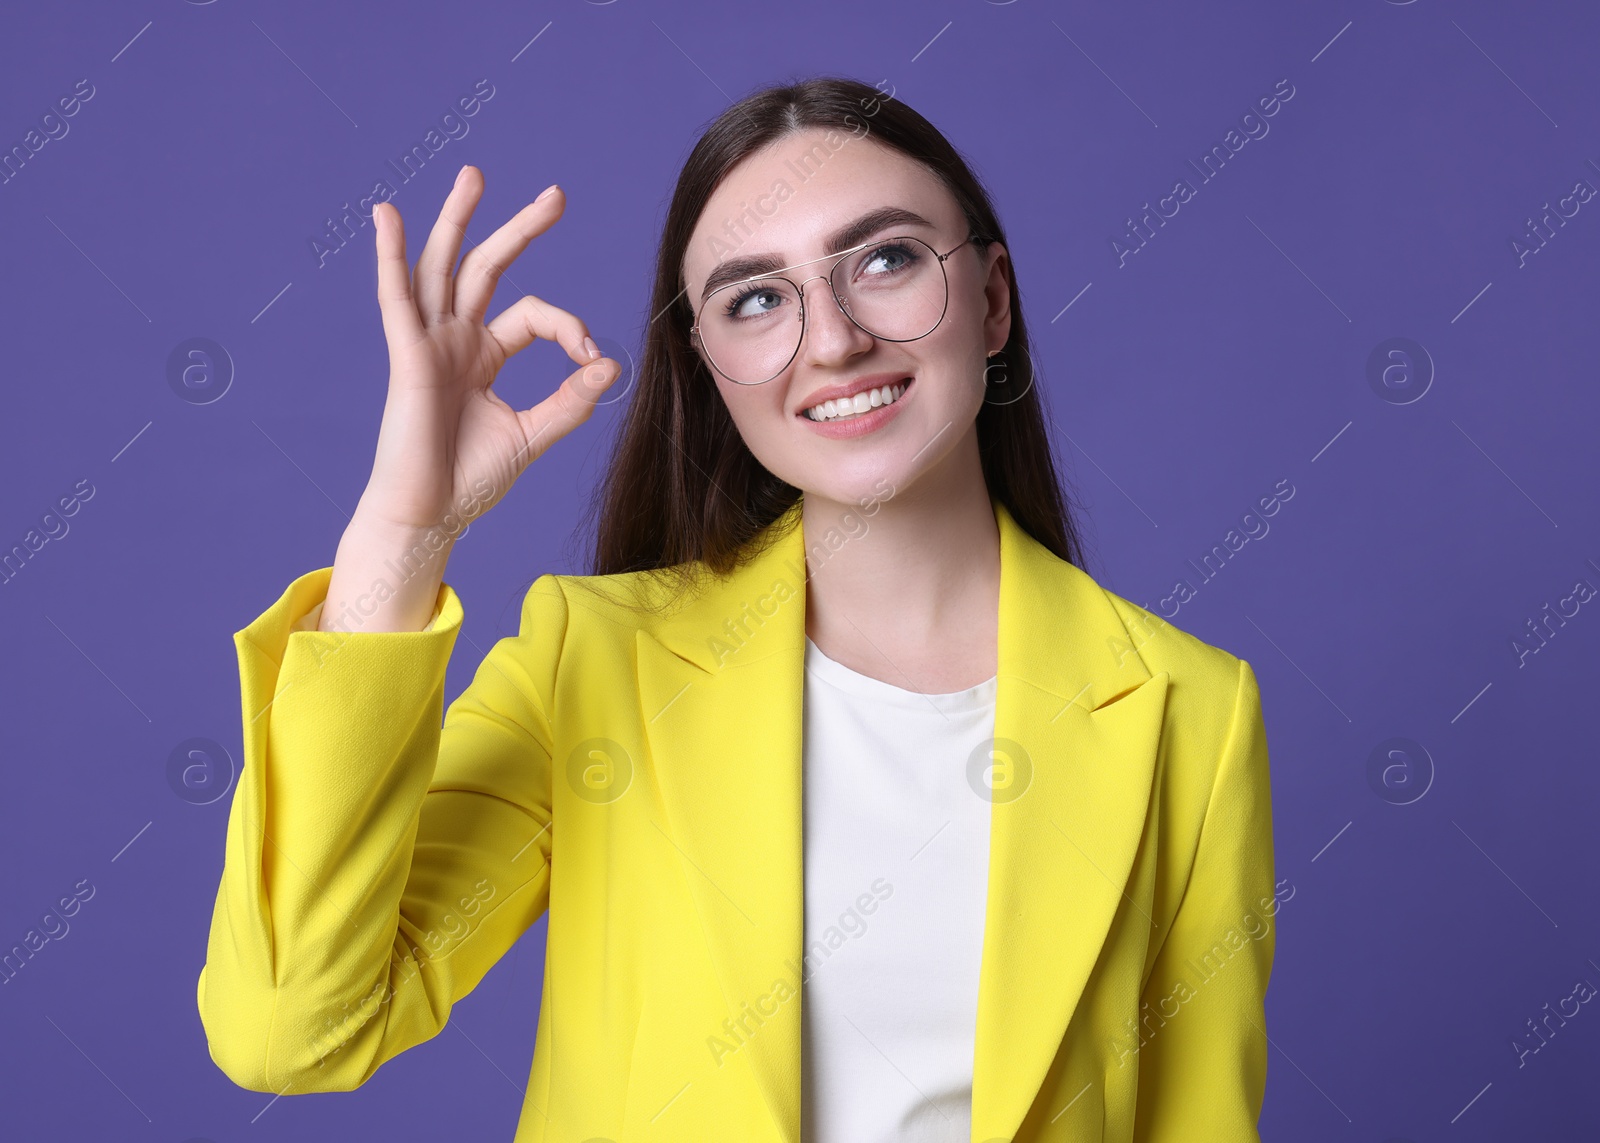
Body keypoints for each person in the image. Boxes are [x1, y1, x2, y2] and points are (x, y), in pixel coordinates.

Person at [196, 76, 1278, 1143]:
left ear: (992, 300)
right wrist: (401, 538)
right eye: (756, 298)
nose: (834, 340)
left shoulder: (1190, 711)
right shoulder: (596, 662)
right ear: (708, 363)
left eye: (887, 259)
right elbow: (293, 1033)